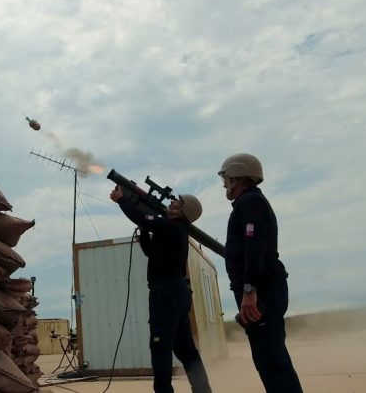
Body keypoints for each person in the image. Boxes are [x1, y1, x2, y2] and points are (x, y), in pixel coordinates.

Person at [110, 186, 212, 393]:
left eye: (177, 202)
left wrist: (122, 200)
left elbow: (141, 217)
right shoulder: (173, 229)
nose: (172, 202)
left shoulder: (171, 226)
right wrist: (144, 230)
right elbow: (150, 250)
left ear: (181, 211)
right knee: (186, 350)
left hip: (166, 293)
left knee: (160, 347)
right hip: (175, 293)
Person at [218, 153, 303, 393]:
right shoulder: (249, 203)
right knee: (269, 359)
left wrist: (249, 289)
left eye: (226, 179)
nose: (224, 185)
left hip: (261, 290)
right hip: (262, 289)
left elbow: (254, 246)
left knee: (272, 361)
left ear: (236, 176)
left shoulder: (250, 202)